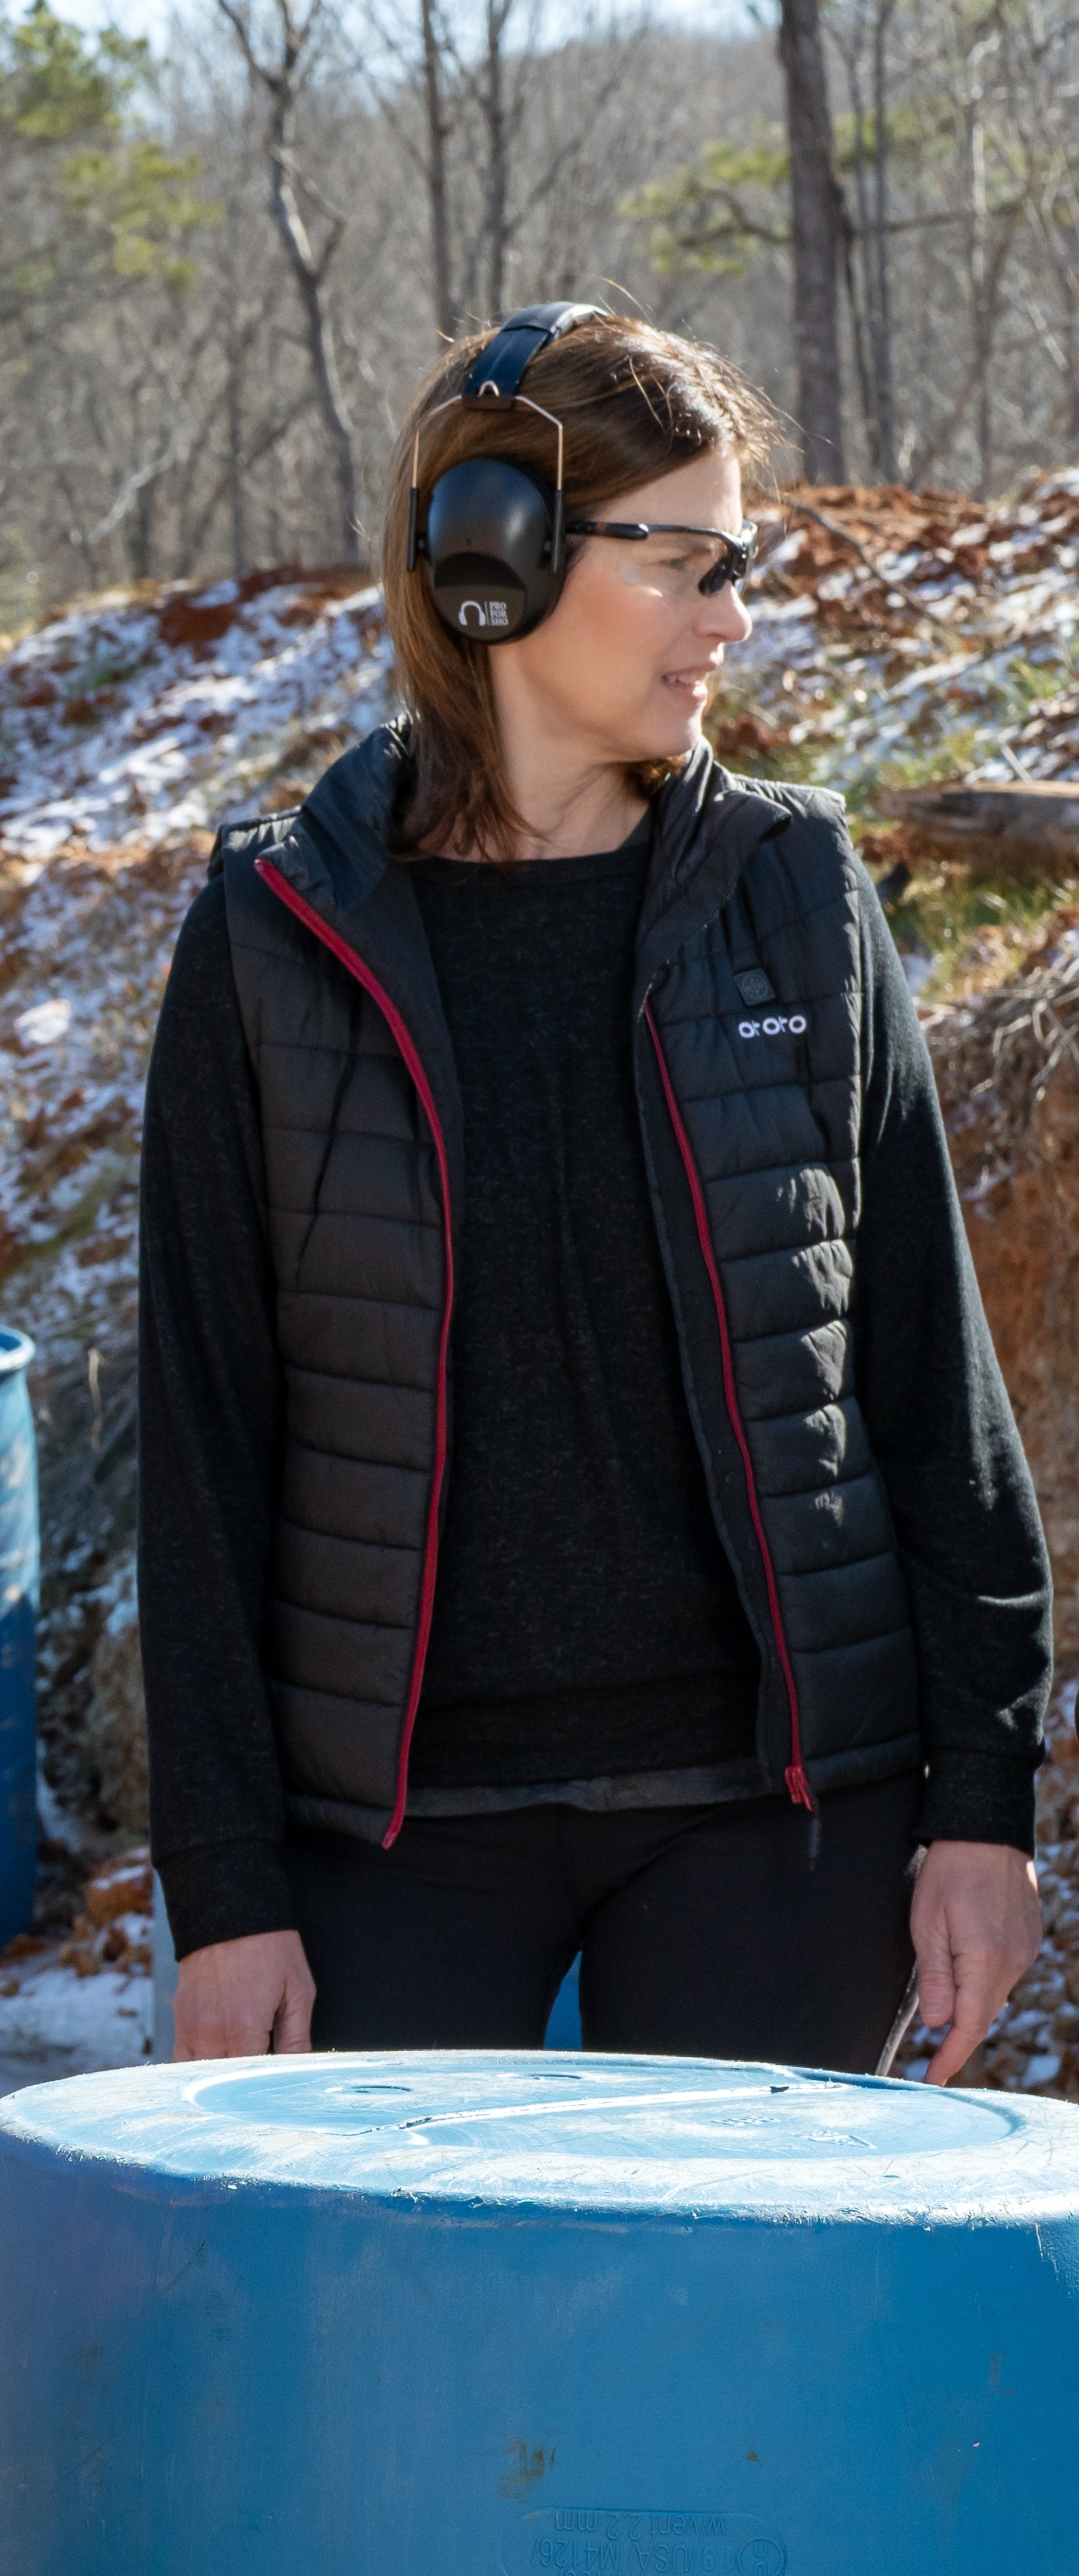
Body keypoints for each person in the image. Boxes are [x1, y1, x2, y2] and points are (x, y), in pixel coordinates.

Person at [140, 304, 1053, 2075]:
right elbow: (200, 1447)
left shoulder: (792, 888)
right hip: (384, 1840)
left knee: (730, 2339)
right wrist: (221, 1884)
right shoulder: (268, 937)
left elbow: (932, 1394)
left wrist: (980, 1804)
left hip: (777, 1815)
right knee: (407, 2349)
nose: (730, 621)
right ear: (493, 560)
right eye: (685, 564)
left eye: (739, 568)